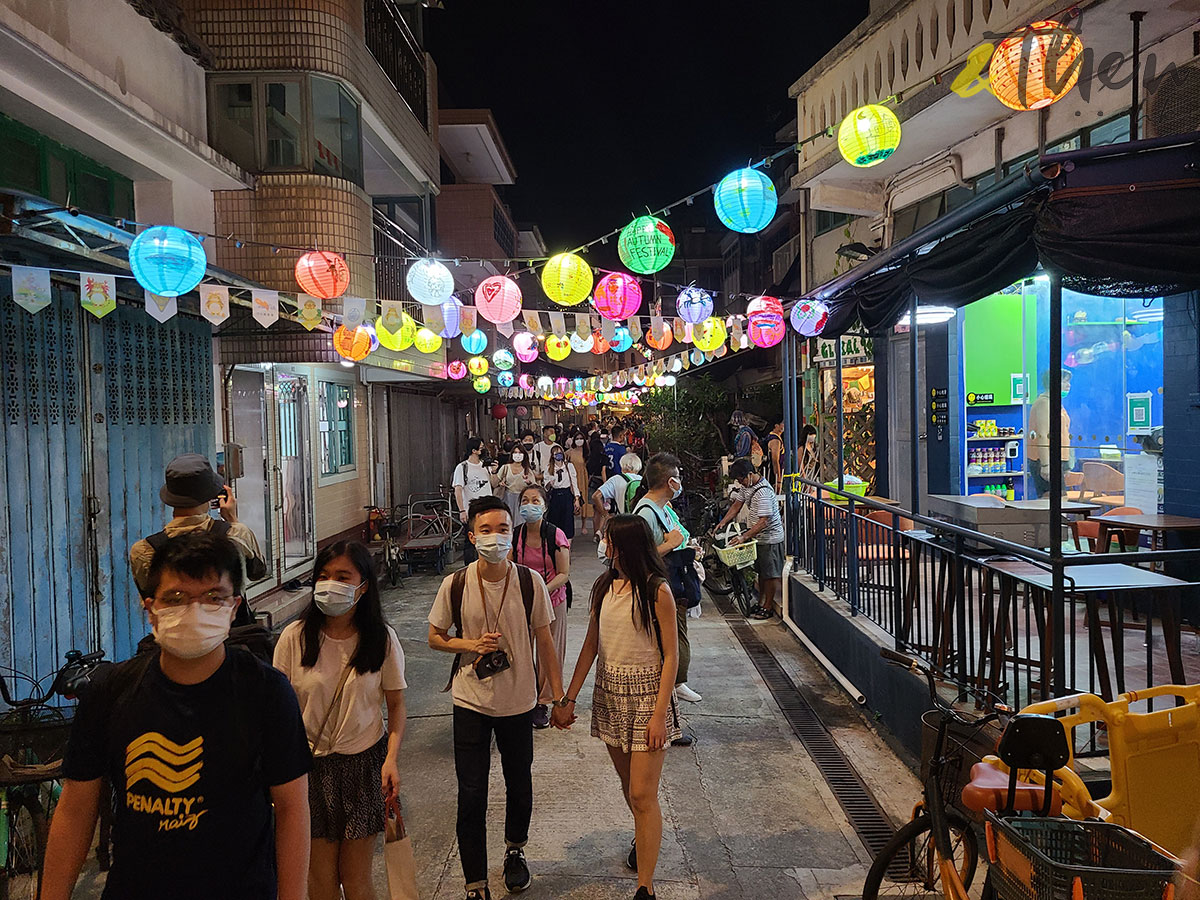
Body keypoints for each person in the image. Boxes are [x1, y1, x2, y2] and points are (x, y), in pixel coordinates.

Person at [43, 533, 311, 900]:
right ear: (150, 608)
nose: (194, 611)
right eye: (176, 598)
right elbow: (76, 807)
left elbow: (292, 809)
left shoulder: (266, 692)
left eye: (213, 597)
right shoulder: (111, 691)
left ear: (234, 608)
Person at [427, 496, 567, 900]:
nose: (495, 537)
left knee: (519, 783)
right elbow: (435, 637)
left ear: (513, 534)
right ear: (472, 537)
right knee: (471, 793)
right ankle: (475, 883)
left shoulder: (529, 581)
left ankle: (515, 850)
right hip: (470, 700)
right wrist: (471, 644)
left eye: (503, 529)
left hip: (519, 701)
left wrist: (558, 698)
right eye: (486, 530)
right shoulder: (455, 583)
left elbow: (545, 640)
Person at [552, 515, 680, 900]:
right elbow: (591, 644)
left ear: (625, 547)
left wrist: (660, 714)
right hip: (610, 694)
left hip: (647, 697)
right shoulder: (604, 586)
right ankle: (642, 837)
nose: (601, 545)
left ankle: (645, 887)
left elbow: (671, 656)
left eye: (607, 540)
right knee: (631, 789)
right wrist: (568, 698)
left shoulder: (657, 591)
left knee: (643, 794)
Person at [273, 541, 406, 900]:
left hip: (364, 768)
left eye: (343, 576)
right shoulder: (293, 639)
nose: (330, 583)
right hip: (307, 771)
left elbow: (396, 705)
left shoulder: (381, 640)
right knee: (320, 882)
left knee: (356, 879)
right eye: (324, 576)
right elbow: (278, 711)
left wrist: (391, 759)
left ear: (363, 586)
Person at [129, 453, 268, 622]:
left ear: (171, 496)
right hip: (232, 635)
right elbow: (258, 572)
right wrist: (232, 519)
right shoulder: (236, 534)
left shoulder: (144, 550)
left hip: (173, 637)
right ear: (211, 494)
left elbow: (148, 597)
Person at [634, 453, 702, 718]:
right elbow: (641, 557)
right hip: (662, 588)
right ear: (670, 482)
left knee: (675, 642)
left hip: (673, 585)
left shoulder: (661, 508)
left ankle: (673, 699)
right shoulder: (646, 513)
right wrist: (671, 544)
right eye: (678, 478)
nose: (681, 483)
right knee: (669, 647)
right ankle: (672, 696)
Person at [511, 486, 571, 730]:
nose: (529, 505)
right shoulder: (515, 536)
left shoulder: (555, 535)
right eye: (525, 500)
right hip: (523, 601)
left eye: (535, 500)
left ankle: (543, 702)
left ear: (545, 506)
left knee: (550, 652)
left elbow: (564, 574)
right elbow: (509, 567)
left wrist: (541, 589)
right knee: (521, 649)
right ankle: (524, 697)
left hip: (553, 599)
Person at [718, 459, 787, 621]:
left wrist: (744, 536)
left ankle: (768, 606)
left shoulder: (763, 492)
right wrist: (723, 522)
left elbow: (763, 521)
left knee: (770, 574)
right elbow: (737, 505)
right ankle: (762, 602)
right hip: (758, 538)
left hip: (770, 538)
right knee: (762, 573)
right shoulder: (747, 487)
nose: (740, 483)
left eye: (741, 479)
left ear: (750, 474)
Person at [1027, 369, 1073, 498]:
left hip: (1058, 458)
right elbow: (1042, 434)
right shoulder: (1044, 403)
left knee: (1061, 500)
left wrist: (1066, 463)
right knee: (1053, 500)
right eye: (1065, 382)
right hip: (1045, 459)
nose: (1068, 385)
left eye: (1069, 382)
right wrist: (1046, 465)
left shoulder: (1055, 402)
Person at [454, 437, 500, 564]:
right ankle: (470, 567)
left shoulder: (485, 466)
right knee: (471, 541)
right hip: (471, 511)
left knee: (488, 538)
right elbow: (458, 490)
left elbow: (494, 484)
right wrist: (462, 510)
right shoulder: (462, 467)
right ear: (474, 450)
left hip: (488, 509)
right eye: (481, 448)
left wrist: (494, 471)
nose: (483, 450)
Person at [593, 452, 644, 536]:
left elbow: (596, 496)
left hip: (621, 522)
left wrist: (605, 514)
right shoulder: (642, 480)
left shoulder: (616, 479)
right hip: (640, 523)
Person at [542, 443, 581, 537]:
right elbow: (546, 486)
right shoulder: (549, 468)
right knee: (555, 520)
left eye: (560, 453)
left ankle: (568, 542)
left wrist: (577, 499)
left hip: (567, 493)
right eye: (555, 453)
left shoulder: (569, 466)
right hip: (555, 495)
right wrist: (549, 484)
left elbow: (574, 482)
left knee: (568, 521)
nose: (558, 455)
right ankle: (555, 541)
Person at [500, 443, 539, 522]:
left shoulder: (527, 470)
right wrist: (500, 483)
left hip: (522, 500)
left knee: (520, 523)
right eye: (515, 452)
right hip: (508, 498)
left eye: (520, 453)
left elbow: (535, 487)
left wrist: (529, 483)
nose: (517, 455)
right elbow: (494, 482)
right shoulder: (505, 467)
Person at [567, 429, 592, 534]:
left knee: (583, 500)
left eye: (581, 438)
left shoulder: (586, 452)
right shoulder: (569, 452)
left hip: (583, 478)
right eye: (577, 439)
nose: (579, 440)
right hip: (572, 478)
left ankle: (584, 524)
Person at [586, 429, 610, 539]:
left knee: (596, 511)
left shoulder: (590, 460)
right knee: (604, 511)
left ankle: (596, 531)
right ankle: (601, 532)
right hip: (601, 483)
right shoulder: (604, 458)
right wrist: (606, 486)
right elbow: (603, 472)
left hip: (592, 483)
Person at [765, 421, 785, 493]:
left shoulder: (772, 437)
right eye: (782, 424)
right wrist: (778, 480)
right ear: (776, 425)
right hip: (773, 476)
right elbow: (775, 460)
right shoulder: (775, 440)